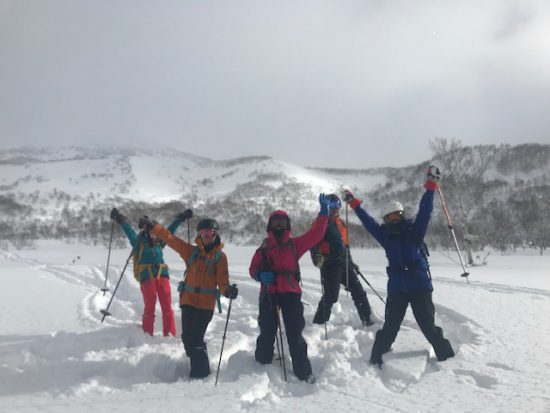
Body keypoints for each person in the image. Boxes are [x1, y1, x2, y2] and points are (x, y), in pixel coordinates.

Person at [342, 166, 455, 367]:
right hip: (397, 289)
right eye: (389, 218)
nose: (394, 220)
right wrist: (354, 204)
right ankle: (376, 360)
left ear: (402, 215)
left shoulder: (415, 232)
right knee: (390, 327)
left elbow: (425, 211)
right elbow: (368, 223)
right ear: (385, 220)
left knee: (428, 326)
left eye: (397, 216)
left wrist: (431, 187)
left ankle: (447, 360)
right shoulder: (386, 237)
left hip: (419, 286)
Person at [141, 213, 238, 379]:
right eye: (203, 233)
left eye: (210, 232)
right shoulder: (191, 252)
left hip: (206, 305)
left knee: (195, 339)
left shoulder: (220, 258)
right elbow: (171, 239)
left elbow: (222, 281)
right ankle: (200, 362)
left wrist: (227, 290)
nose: (207, 236)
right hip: (188, 301)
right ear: (199, 235)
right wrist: (153, 227)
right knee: (187, 339)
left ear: (215, 233)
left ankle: (200, 375)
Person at [249, 194, 330, 383]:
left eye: (282, 223)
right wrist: (260, 275)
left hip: (291, 293)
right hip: (269, 294)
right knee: (267, 331)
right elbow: (252, 269)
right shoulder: (264, 248)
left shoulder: (295, 244)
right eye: (276, 223)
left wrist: (324, 214)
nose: (279, 226)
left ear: (288, 225)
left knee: (295, 333)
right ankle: (261, 365)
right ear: (270, 226)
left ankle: (304, 372)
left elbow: (316, 235)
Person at [110, 208, 187, 337]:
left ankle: (169, 333)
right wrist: (120, 219)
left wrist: (180, 219)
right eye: (152, 231)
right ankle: (146, 335)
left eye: (156, 231)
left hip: (163, 276)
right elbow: (129, 231)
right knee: (150, 307)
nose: (155, 233)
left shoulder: (159, 243)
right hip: (147, 277)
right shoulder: (138, 242)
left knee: (167, 307)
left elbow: (169, 231)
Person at [310, 194, 373, 326]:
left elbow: (345, 245)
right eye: (331, 206)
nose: (335, 209)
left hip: (345, 264)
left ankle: (367, 319)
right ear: (326, 207)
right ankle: (319, 323)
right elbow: (313, 242)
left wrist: (351, 261)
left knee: (359, 292)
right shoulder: (320, 223)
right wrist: (316, 256)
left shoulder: (341, 223)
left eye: (337, 206)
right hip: (330, 265)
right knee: (331, 296)